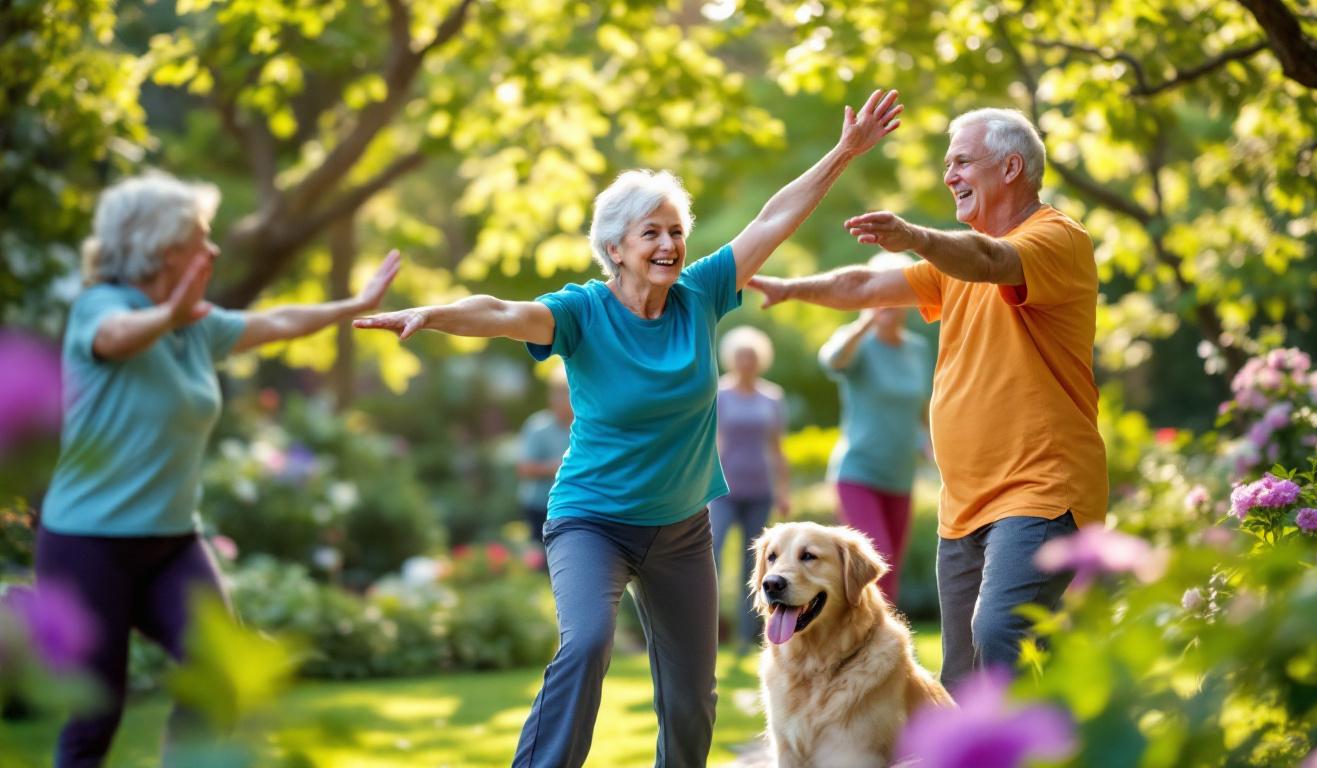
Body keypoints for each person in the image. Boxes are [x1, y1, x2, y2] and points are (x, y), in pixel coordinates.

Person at [354, 88, 903, 768]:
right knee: (585, 644)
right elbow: (498, 309)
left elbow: (774, 217)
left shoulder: (701, 294)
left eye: (676, 230)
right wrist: (433, 314)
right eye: (652, 233)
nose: (670, 244)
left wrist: (844, 152)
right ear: (615, 248)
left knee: (691, 700)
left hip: (680, 530)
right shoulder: (581, 311)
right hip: (593, 521)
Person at [36, 171, 401, 767]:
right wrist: (170, 312)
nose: (212, 251)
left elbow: (276, 323)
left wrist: (354, 306)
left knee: (220, 674)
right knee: (95, 714)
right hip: (87, 541)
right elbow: (116, 338)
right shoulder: (100, 308)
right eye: (200, 239)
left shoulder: (196, 329)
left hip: (172, 541)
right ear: (162, 247)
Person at [749, 108, 1107, 690]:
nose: (950, 176)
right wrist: (790, 288)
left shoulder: (1054, 239)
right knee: (961, 669)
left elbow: (992, 261)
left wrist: (914, 237)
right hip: (964, 502)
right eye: (948, 164)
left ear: (1011, 166)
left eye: (962, 161)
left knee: (998, 632)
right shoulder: (953, 267)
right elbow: (862, 286)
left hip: (1040, 488)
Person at [818, 253, 931, 606]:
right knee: (874, 562)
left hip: (901, 475)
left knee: (890, 570)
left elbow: (920, 413)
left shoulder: (919, 349)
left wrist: (933, 447)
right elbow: (832, 360)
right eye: (881, 292)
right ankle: (854, 646)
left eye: (896, 292)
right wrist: (866, 320)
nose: (890, 303)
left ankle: (880, 653)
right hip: (858, 471)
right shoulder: (858, 343)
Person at [711, 325, 789, 651]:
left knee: (754, 565)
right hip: (723, 491)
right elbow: (710, 442)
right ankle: (706, 630)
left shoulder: (772, 397)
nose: (747, 362)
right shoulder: (719, 394)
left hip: (760, 490)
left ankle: (747, 636)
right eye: (741, 356)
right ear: (731, 359)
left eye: (752, 357)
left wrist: (784, 491)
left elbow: (777, 448)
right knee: (709, 554)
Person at [516, 366, 573, 551]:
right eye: (560, 394)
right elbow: (524, 468)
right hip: (541, 505)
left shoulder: (585, 426)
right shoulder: (538, 426)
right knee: (542, 557)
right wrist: (558, 468)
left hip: (574, 505)